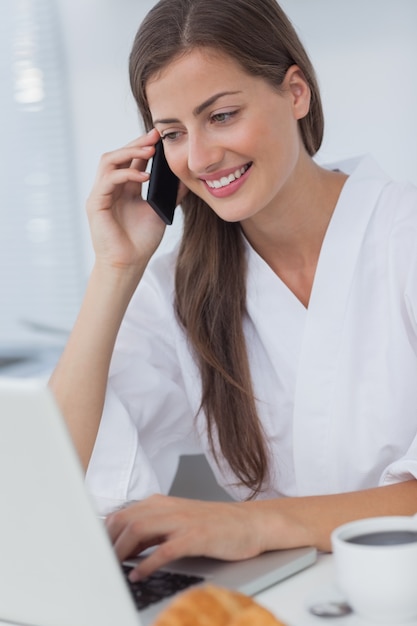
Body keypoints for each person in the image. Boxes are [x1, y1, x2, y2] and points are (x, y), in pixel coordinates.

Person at [49, 0, 417, 583]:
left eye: (220, 115)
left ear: (296, 92)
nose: (198, 158)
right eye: (173, 132)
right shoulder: (181, 288)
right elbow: (54, 481)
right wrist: (115, 269)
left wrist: (256, 524)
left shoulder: (405, 235)